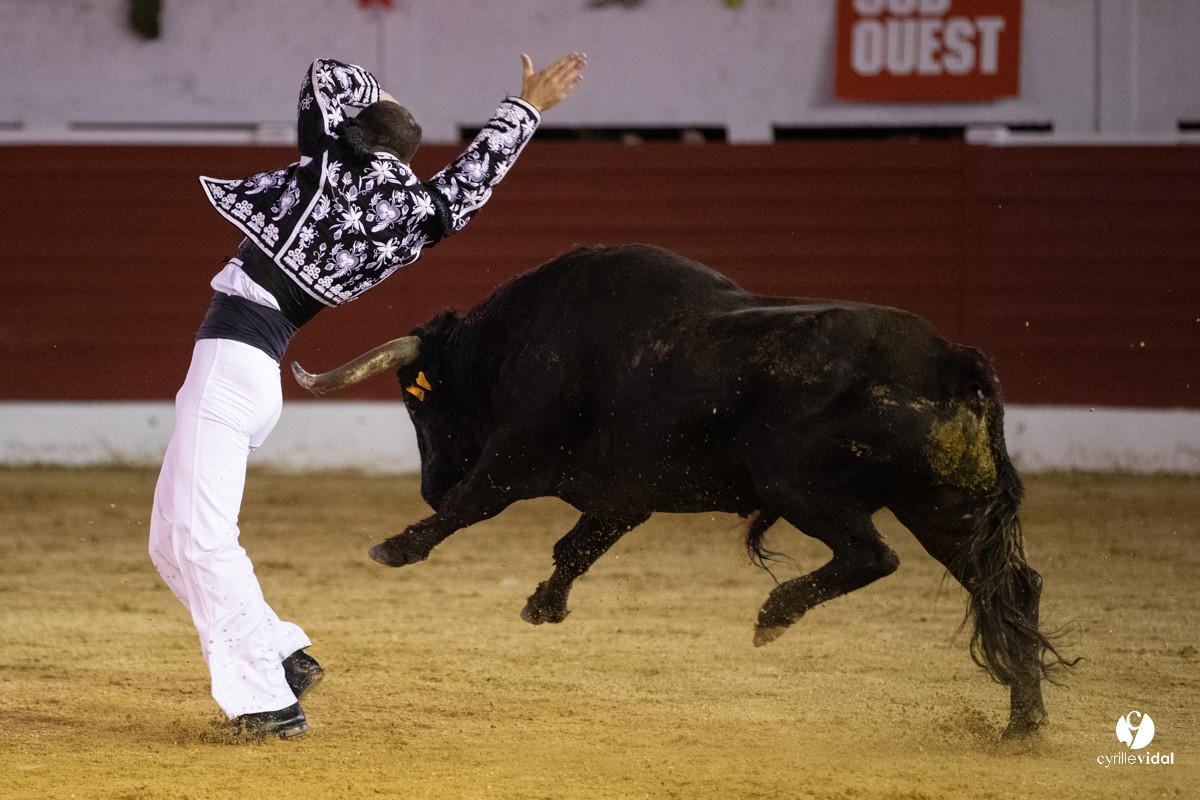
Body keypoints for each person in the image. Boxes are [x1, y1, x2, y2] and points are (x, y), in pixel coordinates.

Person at [148, 52, 586, 741]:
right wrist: (526, 110)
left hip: (230, 362)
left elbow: (325, 72)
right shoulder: (416, 213)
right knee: (171, 541)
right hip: (253, 367)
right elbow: (473, 181)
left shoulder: (335, 167)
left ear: (353, 134)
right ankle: (283, 656)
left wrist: (376, 97)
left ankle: (265, 702)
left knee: (200, 542)